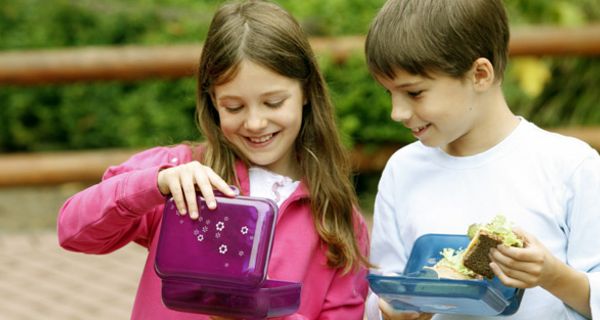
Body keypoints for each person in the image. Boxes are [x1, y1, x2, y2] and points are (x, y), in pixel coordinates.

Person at [57, 1, 371, 319]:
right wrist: (156, 183)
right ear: (213, 101)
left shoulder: (337, 217)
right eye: (234, 107)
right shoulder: (177, 173)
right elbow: (73, 231)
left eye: (273, 102)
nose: (255, 123)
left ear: (306, 92)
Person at [363, 0, 600, 319]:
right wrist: (395, 312)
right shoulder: (402, 170)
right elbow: (384, 290)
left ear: (479, 74)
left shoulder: (570, 166)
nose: (398, 112)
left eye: (415, 93)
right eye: (388, 93)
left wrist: (553, 275)